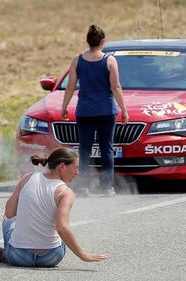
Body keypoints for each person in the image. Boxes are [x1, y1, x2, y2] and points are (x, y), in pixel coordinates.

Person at [0, 148, 107, 267]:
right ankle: (12, 253)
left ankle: (7, 254)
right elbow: (61, 227)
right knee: (59, 236)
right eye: (75, 168)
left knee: (7, 223)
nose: (77, 173)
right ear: (62, 167)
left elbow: (9, 213)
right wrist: (82, 255)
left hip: (19, 256)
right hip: (50, 257)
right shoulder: (66, 192)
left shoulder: (27, 178)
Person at [61, 25, 129, 196]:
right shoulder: (110, 60)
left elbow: (70, 86)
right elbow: (116, 87)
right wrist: (124, 110)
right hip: (106, 111)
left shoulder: (77, 60)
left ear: (88, 41)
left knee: (84, 149)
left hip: (84, 111)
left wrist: (64, 107)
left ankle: (83, 185)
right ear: (103, 41)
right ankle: (107, 187)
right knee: (106, 148)